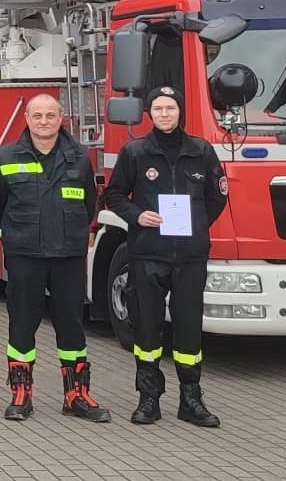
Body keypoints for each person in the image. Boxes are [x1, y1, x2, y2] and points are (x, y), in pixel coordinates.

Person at [102, 86, 228, 428]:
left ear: (180, 111)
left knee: (188, 329)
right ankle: (148, 398)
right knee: (147, 327)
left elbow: (217, 197)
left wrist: (196, 225)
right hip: (147, 253)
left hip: (189, 257)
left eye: (170, 108)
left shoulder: (201, 151)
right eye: (158, 108)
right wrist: (137, 216)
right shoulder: (135, 152)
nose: (164, 114)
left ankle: (191, 400)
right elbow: (114, 194)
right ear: (150, 113)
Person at [0, 92, 108, 423]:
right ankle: (21, 395)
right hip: (26, 256)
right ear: (26, 119)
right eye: (37, 115)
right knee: (22, 323)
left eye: (50, 115)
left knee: (71, 324)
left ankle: (76, 395)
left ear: (61, 118)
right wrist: (15, 238)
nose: (44, 121)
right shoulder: (6, 156)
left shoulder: (79, 158)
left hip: (68, 256)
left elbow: (89, 204)